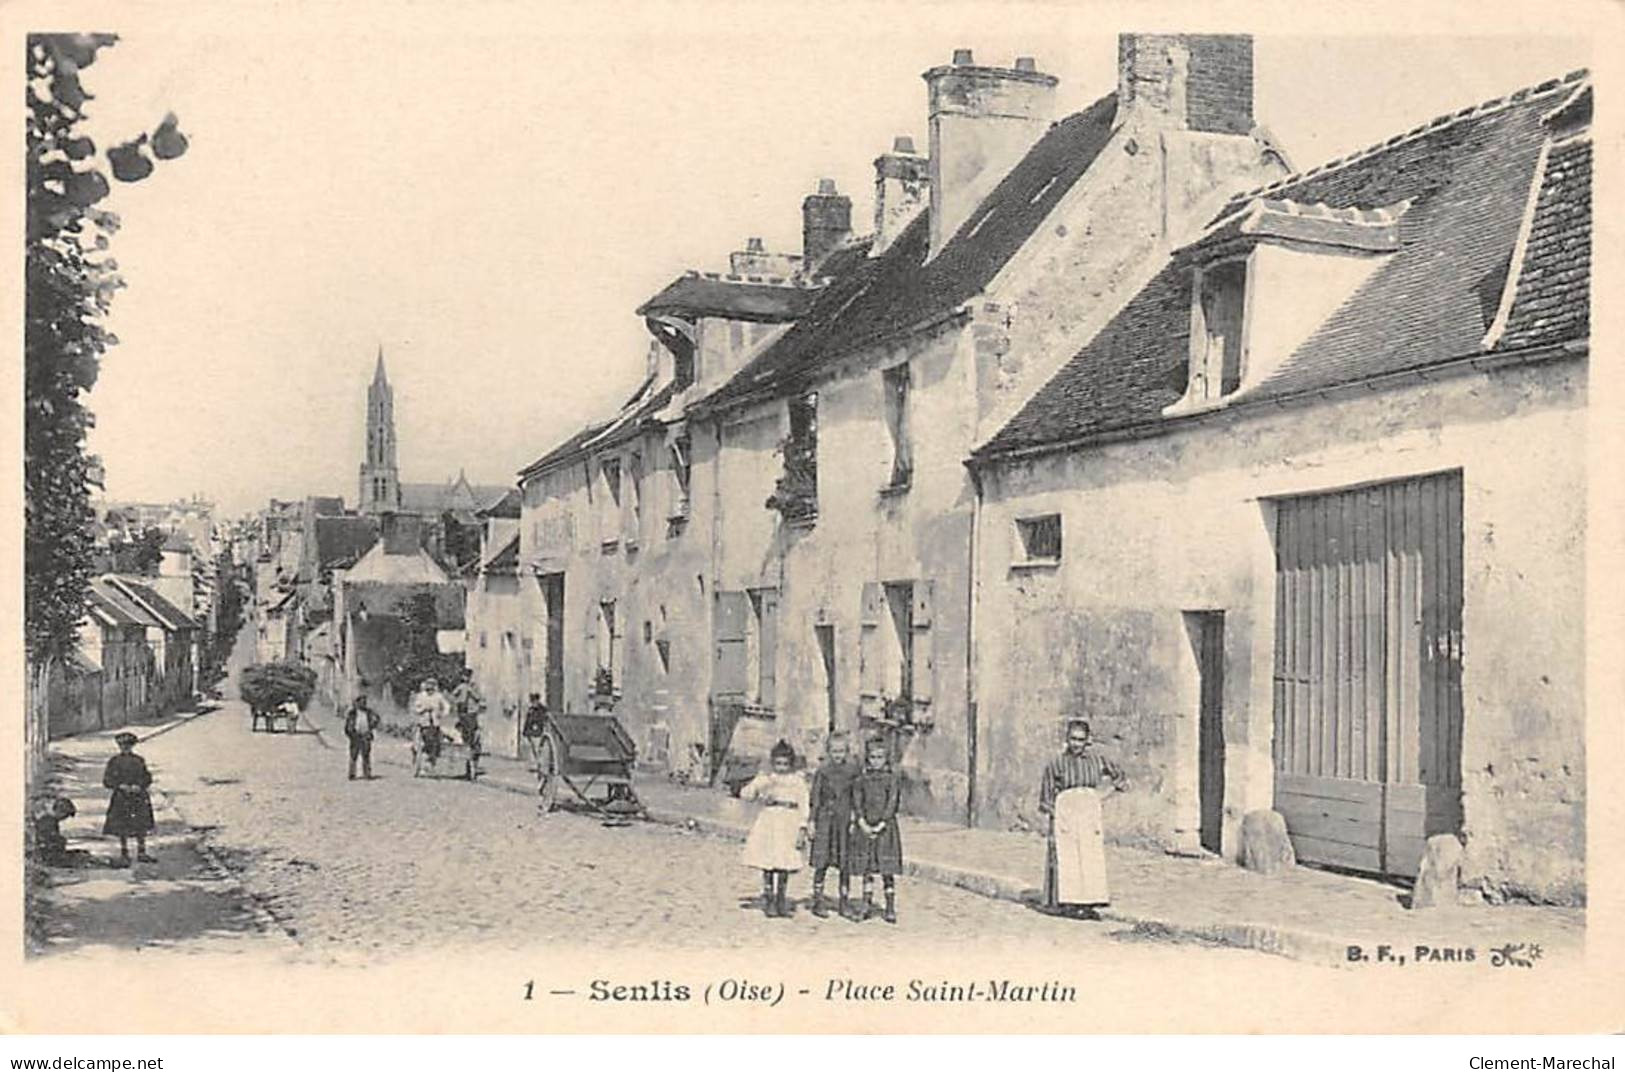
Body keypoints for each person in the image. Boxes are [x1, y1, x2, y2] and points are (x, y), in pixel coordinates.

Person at [1038, 718, 1126, 919]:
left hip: (1088, 812)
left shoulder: (1097, 760)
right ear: (1067, 739)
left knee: (1090, 855)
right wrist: (1056, 820)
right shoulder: (1056, 764)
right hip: (1065, 814)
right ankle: (1069, 902)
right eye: (1072, 739)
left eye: (1080, 740)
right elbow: (1046, 797)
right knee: (1068, 857)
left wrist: (1102, 797)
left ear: (1087, 740)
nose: (1076, 744)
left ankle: (1089, 902)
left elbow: (1119, 777)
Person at [740, 739, 809, 919]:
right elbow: (746, 793)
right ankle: (769, 899)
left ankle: (781, 898)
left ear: (791, 764)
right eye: (778, 763)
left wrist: (803, 827)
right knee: (769, 861)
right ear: (773, 763)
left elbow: (804, 804)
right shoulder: (767, 779)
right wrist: (758, 789)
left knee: (784, 861)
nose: (781, 768)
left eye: (785, 764)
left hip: (789, 822)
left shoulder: (797, 781)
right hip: (770, 821)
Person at [848, 736, 903, 924]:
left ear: (886, 759)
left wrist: (882, 823)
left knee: (887, 869)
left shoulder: (891, 779)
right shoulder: (861, 780)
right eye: (873, 757)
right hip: (865, 828)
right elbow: (857, 802)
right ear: (867, 758)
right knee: (867, 869)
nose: (876, 761)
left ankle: (889, 907)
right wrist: (862, 822)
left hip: (885, 829)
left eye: (880, 757)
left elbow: (892, 803)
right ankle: (866, 904)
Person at [807, 732, 859, 919]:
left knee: (845, 863)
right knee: (822, 862)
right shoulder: (823, 771)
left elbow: (857, 796)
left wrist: (855, 817)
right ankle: (818, 900)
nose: (838, 755)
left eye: (841, 751)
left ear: (847, 752)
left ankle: (844, 902)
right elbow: (815, 797)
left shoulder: (853, 771)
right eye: (834, 752)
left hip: (844, 821)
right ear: (828, 752)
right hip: (825, 820)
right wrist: (812, 821)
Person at [101, 732, 157, 866]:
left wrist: (140, 786)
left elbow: (147, 778)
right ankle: (124, 853)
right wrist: (120, 786)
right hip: (122, 797)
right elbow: (107, 780)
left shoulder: (138, 760)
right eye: (122, 745)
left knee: (141, 825)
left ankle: (141, 852)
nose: (125, 748)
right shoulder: (114, 761)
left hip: (138, 796)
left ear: (132, 746)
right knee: (122, 826)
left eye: (128, 745)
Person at [32, 797, 81, 866]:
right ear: (59, 811)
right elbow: (48, 841)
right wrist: (61, 840)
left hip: (49, 854)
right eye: (66, 815)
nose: (65, 818)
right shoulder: (48, 821)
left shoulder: (50, 820)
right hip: (48, 856)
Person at [412, 677, 451, 765]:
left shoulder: (438, 696)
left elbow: (447, 706)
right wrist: (423, 709)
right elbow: (416, 708)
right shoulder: (421, 696)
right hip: (423, 722)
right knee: (419, 739)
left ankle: (432, 757)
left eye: (432, 686)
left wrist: (442, 714)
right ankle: (417, 755)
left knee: (435, 740)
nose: (430, 689)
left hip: (434, 722)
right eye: (428, 687)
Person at [451, 668, 485, 762]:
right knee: (462, 729)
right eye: (464, 676)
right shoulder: (461, 686)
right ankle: (464, 745)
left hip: (471, 712)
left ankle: (472, 747)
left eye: (467, 676)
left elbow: (479, 697)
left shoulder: (473, 687)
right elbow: (453, 694)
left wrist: (471, 692)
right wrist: (457, 701)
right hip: (463, 712)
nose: (466, 678)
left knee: (472, 731)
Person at [344, 694, 380, 780]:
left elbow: (377, 718)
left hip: (365, 735)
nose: (363, 703)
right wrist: (351, 734)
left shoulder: (369, 712)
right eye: (360, 701)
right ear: (356, 703)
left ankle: (367, 773)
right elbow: (347, 726)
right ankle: (352, 773)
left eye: (364, 701)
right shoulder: (352, 713)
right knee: (353, 755)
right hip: (355, 735)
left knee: (366, 755)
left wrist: (372, 725)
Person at [521, 693, 549, 771]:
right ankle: (534, 765)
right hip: (531, 732)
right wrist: (525, 732)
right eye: (532, 701)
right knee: (532, 749)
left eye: (535, 701)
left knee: (539, 749)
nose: (534, 703)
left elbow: (544, 720)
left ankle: (539, 765)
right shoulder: (531, 710)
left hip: (539, 732)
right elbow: (527, 721)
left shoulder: (542, 710)